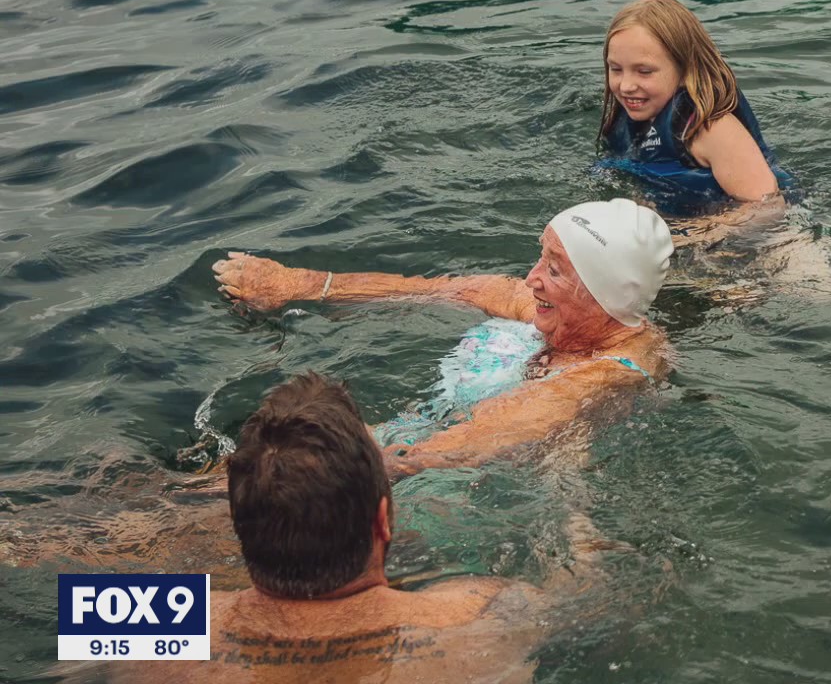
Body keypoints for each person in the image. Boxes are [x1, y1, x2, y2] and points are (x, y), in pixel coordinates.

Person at [115, 372, 618, 684]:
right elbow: (597, 599)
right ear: (382, 519)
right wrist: (572, 484)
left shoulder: (136, 619)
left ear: (237, 519)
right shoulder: (481, 613)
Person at [213, 198, 674, 480]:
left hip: (446, 489)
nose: (531, 277)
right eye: (541, 256)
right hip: (402, 445)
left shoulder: (602, 375)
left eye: (553, 270)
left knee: (263, 487)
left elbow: (462, 448)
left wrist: (304, 465)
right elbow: (431, 289)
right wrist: (303, 284)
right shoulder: (556, 312)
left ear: (602, 294)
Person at [594, 0, 794, 239]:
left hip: (774, 241)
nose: (625, 85)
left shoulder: (709, 127)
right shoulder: (628, 123)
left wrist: (683, 238)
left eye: (644, 71)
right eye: (616, 69)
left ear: (685, 70)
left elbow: (768, 208)